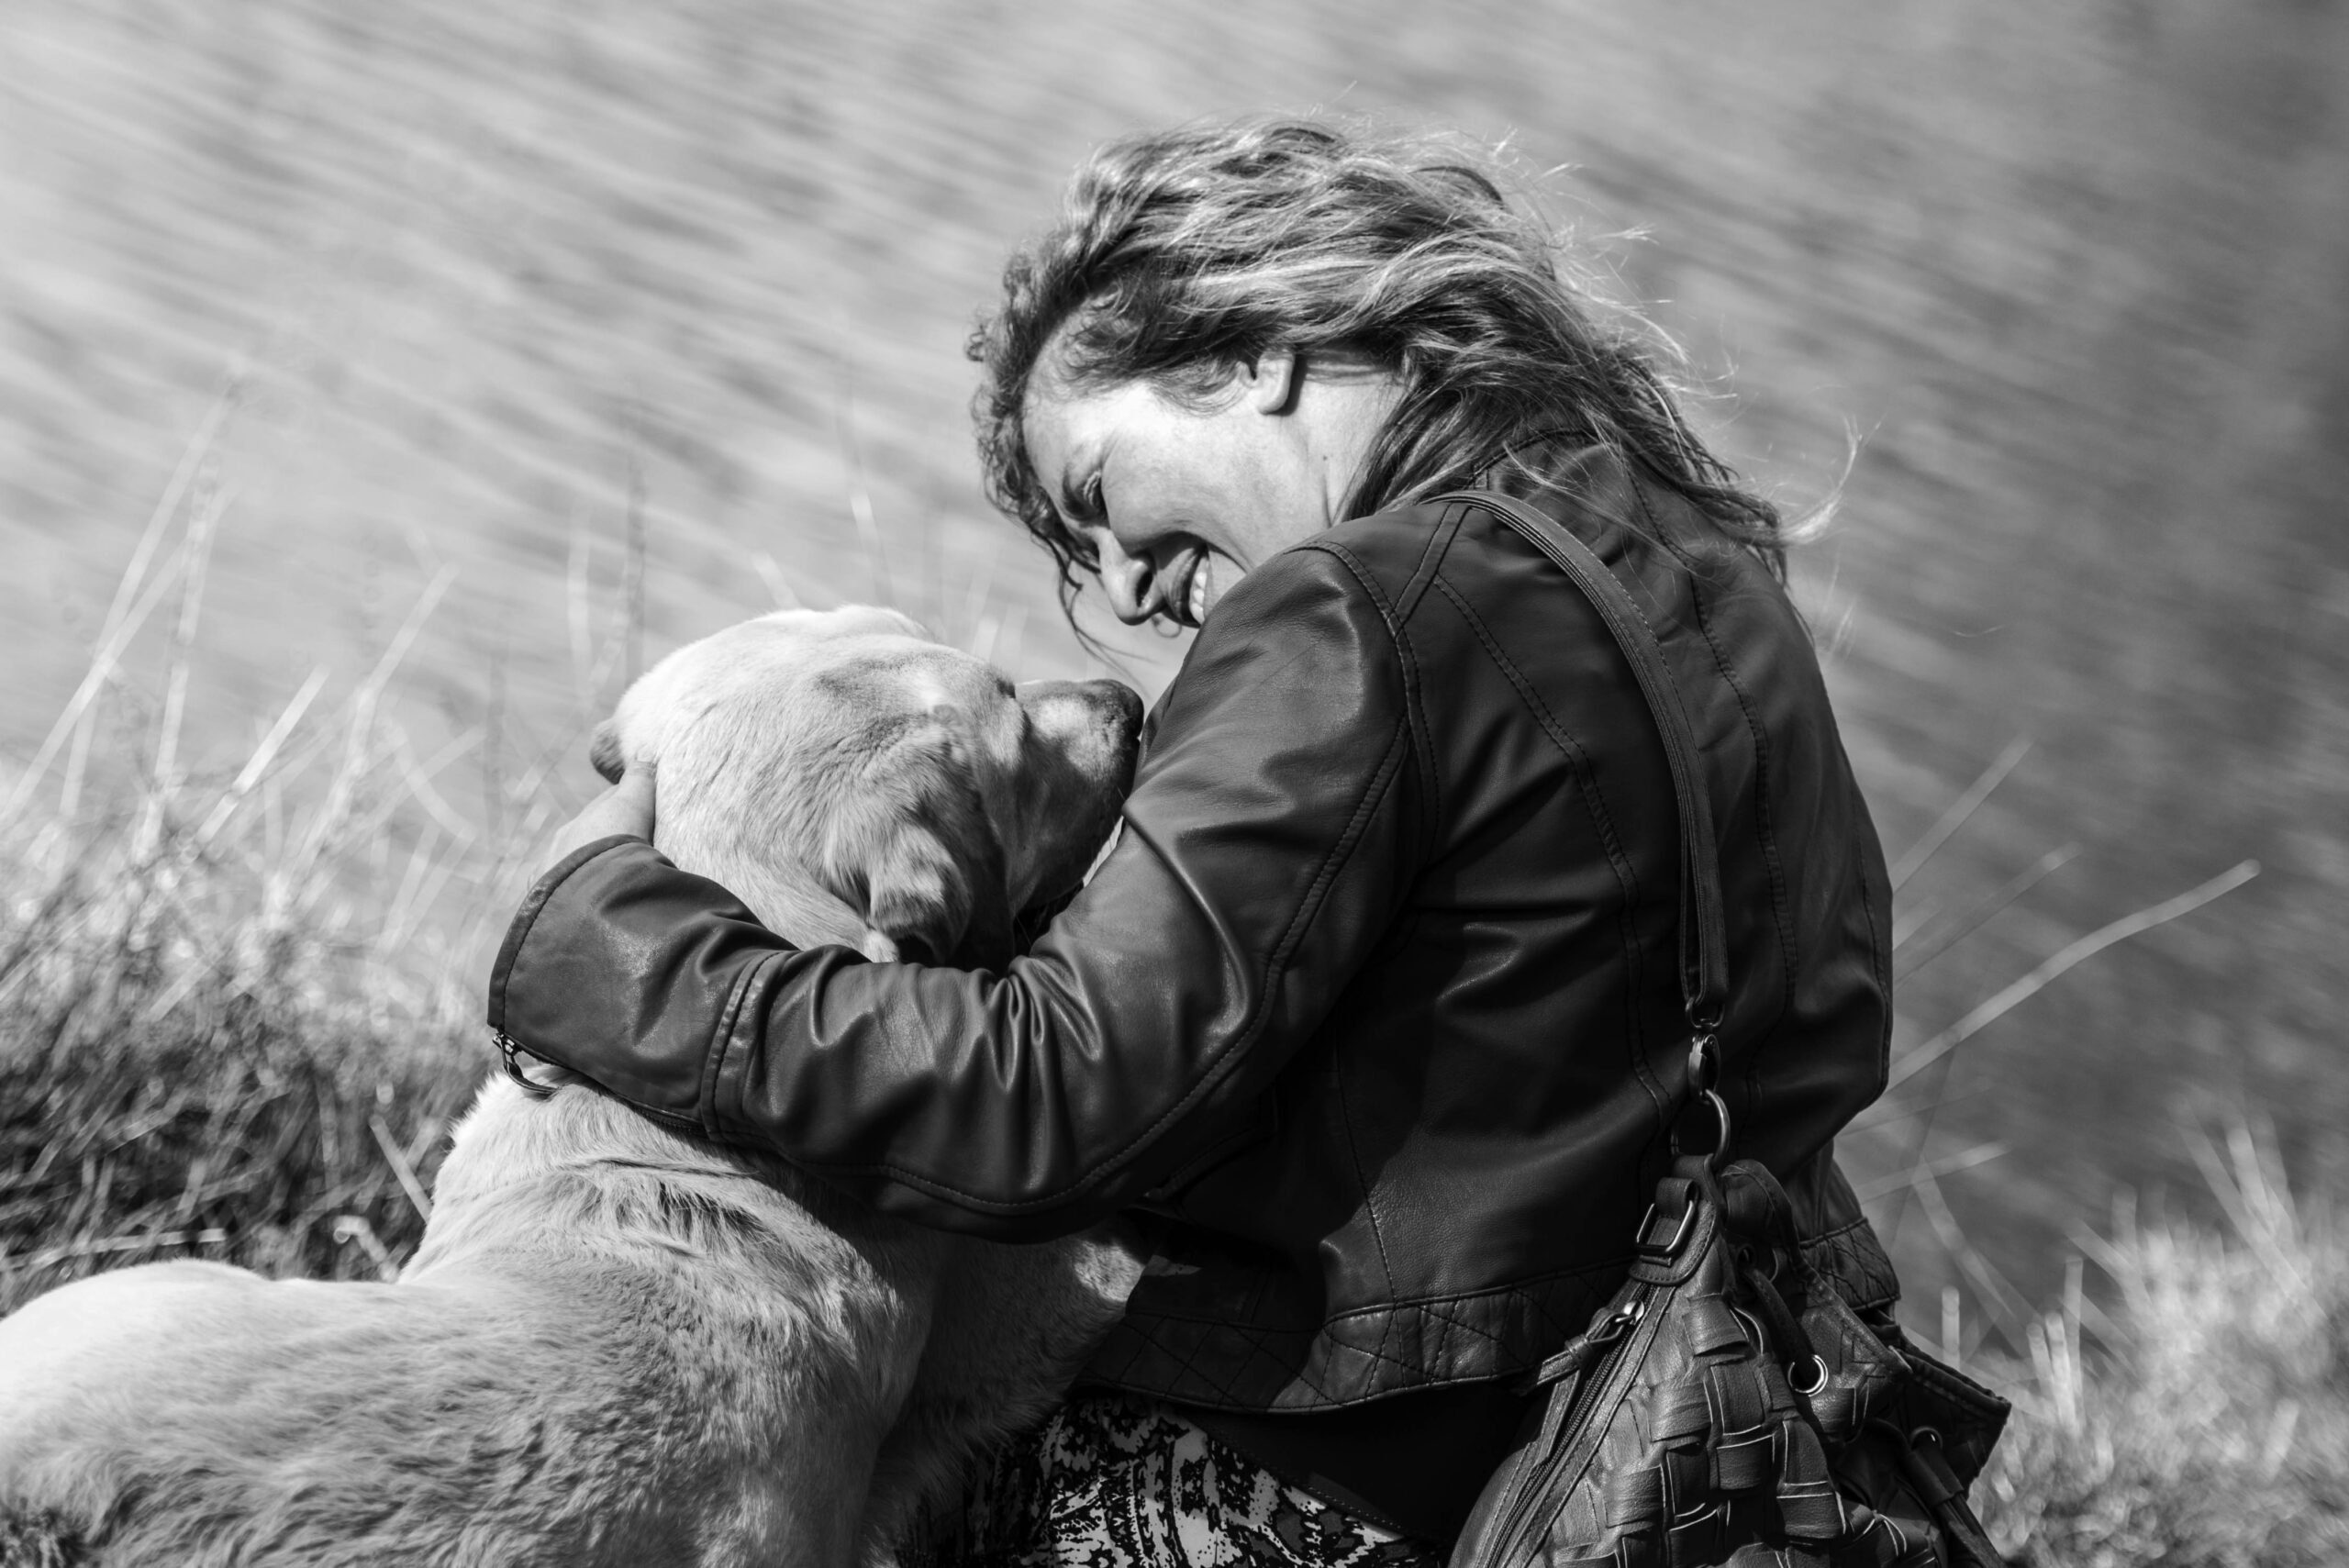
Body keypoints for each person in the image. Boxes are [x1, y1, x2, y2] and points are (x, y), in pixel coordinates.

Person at [490, 118, 1899, 1564]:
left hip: (1311, 1491)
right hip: (1687, 1449)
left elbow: (1050, 1094)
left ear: (1248, 356)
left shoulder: (1353, 617)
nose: (1124, 584)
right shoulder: (1707, 573)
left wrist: (607, 941)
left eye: (1098, 496)